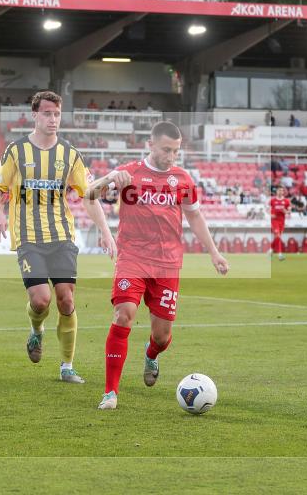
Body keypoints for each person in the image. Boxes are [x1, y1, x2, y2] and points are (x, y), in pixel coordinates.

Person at [85, 120, 229, 410]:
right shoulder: (129, 173)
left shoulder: (183, 179)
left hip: (167, 265)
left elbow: (195, 217)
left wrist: (213, 252)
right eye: (166, 149)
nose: (171, 156)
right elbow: (89, 194)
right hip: (132, 259)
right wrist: (110, 177)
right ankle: (110, 393)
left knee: (162, 336)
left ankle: (151, 354)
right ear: (150, 145)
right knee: (123, 314)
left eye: (175, 151)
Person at [0, 91, 116, 384]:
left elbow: (90, 196)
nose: (53, 119)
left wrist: (106, 232)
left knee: (66, 301)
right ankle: (36, 331)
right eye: (47, 113)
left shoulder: (70, 154)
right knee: (40, 301)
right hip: (28, 237)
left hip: (62, 236)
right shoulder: (16, 151)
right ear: (35, 115)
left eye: (57, 114)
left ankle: (67, 366)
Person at [270, 186, 291, 261]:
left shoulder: (286, 201)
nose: (280, 192)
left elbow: (289, 211)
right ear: (276, 191)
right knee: (278, 236)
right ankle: (280, 255)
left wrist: (286, 211)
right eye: (279, 190)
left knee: (277, 238)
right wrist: (270, 215)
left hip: (282, 221)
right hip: (274, 221)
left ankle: (270, 250)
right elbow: (266, 210)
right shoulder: (272, 201)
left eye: (282, 190)